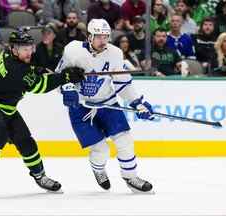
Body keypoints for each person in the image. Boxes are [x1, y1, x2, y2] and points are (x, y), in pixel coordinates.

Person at [0, 28, 85, 199]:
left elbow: (29, 72)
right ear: (14, 49)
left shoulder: (9, 55)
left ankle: (40, 177)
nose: (28, 52)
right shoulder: (15, 69)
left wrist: (37, 70)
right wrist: (65, 77)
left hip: (7, 109)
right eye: (24, 49)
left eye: (30, 47)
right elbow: (39, 86)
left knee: (26, 141)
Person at [55, 19, 153, 192]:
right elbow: (58, 77)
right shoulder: (73, 50)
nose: (103, 40)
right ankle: (98, 170)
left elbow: (123, 83)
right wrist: (67, 88)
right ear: (89, 36)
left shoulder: (115, 53)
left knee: (125, 140)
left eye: (106, 36)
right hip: (81, 107)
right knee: (101, 150)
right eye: (99, 36)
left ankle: (131, 177)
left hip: (108, 103)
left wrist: (137, 102)